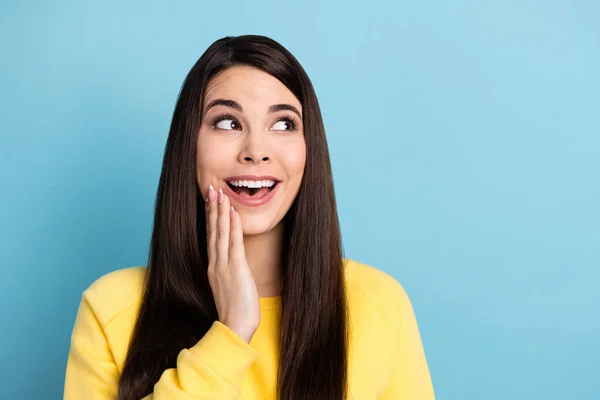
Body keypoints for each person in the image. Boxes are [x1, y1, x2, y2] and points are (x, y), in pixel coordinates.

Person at [63, 34, 435, 400]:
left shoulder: (379, 304)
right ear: (188, 146)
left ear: (310, 149)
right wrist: (232, 332)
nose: (256, 151)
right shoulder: (111, 308)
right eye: (227, 123)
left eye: (284, 124)